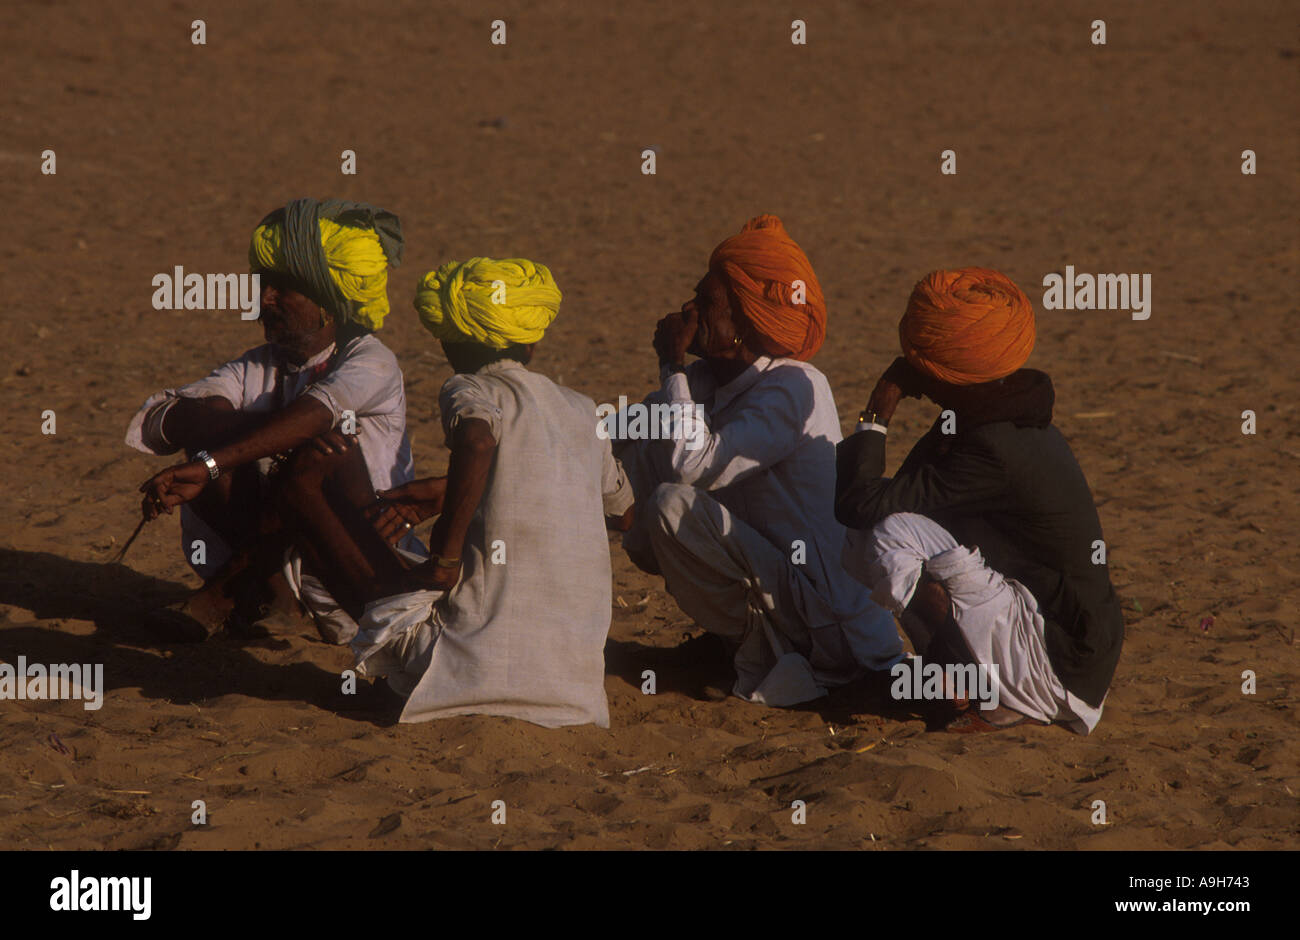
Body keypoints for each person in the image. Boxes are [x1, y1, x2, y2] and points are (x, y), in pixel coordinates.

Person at [289, 257, 635, 728]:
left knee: (302, 483)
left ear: (450, 342)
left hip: (474, 669)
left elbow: (477, 439)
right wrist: (455, 491)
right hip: (573, 692)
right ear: (532, 343)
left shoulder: (469, 387)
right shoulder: (581, 409)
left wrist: (447, 557)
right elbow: (625, 515)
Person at [613, 214, 902, 707]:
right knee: (640, 463)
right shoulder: (704, 384)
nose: (688, 309)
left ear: (745, 322)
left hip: (831, 621)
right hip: (776, 592)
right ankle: (743, 642)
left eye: (706, 302)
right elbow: (616, 435)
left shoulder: (794, 386)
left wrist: (671, 365)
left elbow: (692, 466)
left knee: (670, 504)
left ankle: (751, 648)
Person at [835, 267, 1124, 733]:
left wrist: (879, 407)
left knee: (888, 535)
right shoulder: (987, 417)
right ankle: (959, 676)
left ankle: (967, 694)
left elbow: (862, 506)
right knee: (870, 534)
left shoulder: (991, 445)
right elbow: (876, 502)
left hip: (1060, 663)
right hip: (1050, 632)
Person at [128, 197, 416, 643]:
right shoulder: (259, 365)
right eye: (264, 286)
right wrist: (219, 448)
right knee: (213, 433)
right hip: (280, 549)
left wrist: (215, 462)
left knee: (318, 448)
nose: (266, 299)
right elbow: (165, 418)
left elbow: (315, 414)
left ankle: (232, 592)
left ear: (329, 300)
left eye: (284, 288)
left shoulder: (372, 361)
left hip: (354, 571)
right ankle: (270, 592)